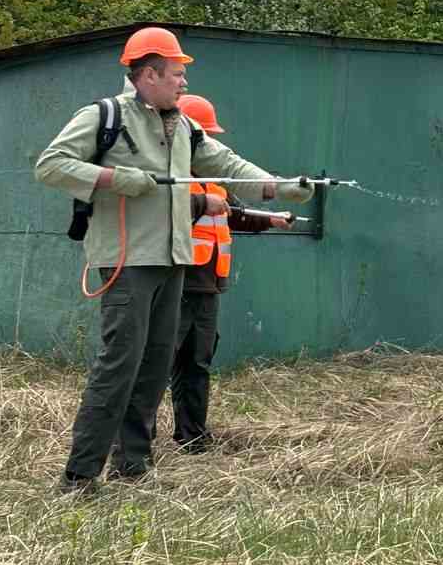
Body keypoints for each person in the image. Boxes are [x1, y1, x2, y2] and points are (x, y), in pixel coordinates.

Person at [34, 26, 314, 494]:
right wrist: (118, 179)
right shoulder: (103, 116)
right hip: (128, 260)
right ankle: (79, 477)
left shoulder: (184, 125)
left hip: (174, 261)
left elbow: (227, 164)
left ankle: (133, 466)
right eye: (177, 74)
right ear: (148, 75)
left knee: (154, 366)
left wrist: (279, 186)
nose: (184, 82)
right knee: (119, 365)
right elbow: (51, 165)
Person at [167, 93, 291, 454]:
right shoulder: (169, 181)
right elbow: (157, 216)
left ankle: (193, 437)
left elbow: (236, 215)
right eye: (203, 136)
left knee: (197, 363)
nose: (208, 144)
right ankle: (136, 443)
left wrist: (271, 220)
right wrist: (200, 203)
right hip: (174, 283)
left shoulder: (216, 181)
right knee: (155, 365)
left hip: (207, 288)